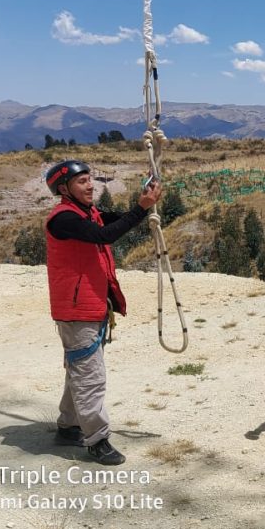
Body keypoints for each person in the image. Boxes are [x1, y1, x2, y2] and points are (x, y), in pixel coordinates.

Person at [45, 159, 162, 465]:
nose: (90, 185)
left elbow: (117, 222)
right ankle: (97, 440)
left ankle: (69, 425)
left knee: (81, 368)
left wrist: (145, 204)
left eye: (90, 179)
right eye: (82, 181)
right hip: (77, 309)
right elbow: (105, 236)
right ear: (63, 189)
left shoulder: (89, 214)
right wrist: (141, 207)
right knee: (90, 376)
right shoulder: (64, 219)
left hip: (90, 304)